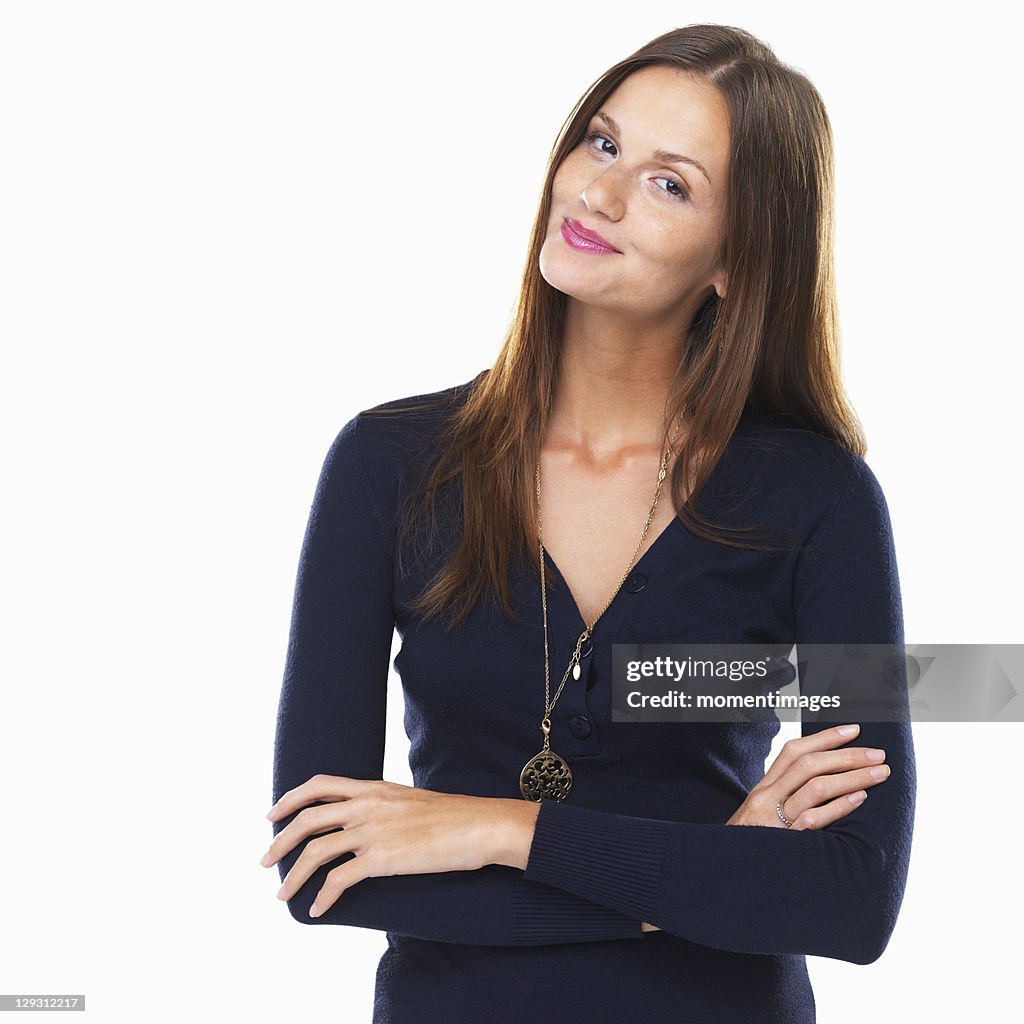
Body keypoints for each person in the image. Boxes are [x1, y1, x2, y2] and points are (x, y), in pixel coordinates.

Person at [260, 23, 916, 1024]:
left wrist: (492, 829)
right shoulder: (387, 464)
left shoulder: (819, 499)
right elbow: (321, 865)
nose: (598, 195)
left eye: (670, 183)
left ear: (736, 261)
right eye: (601, 143)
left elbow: (850, 897)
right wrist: (696, 885)